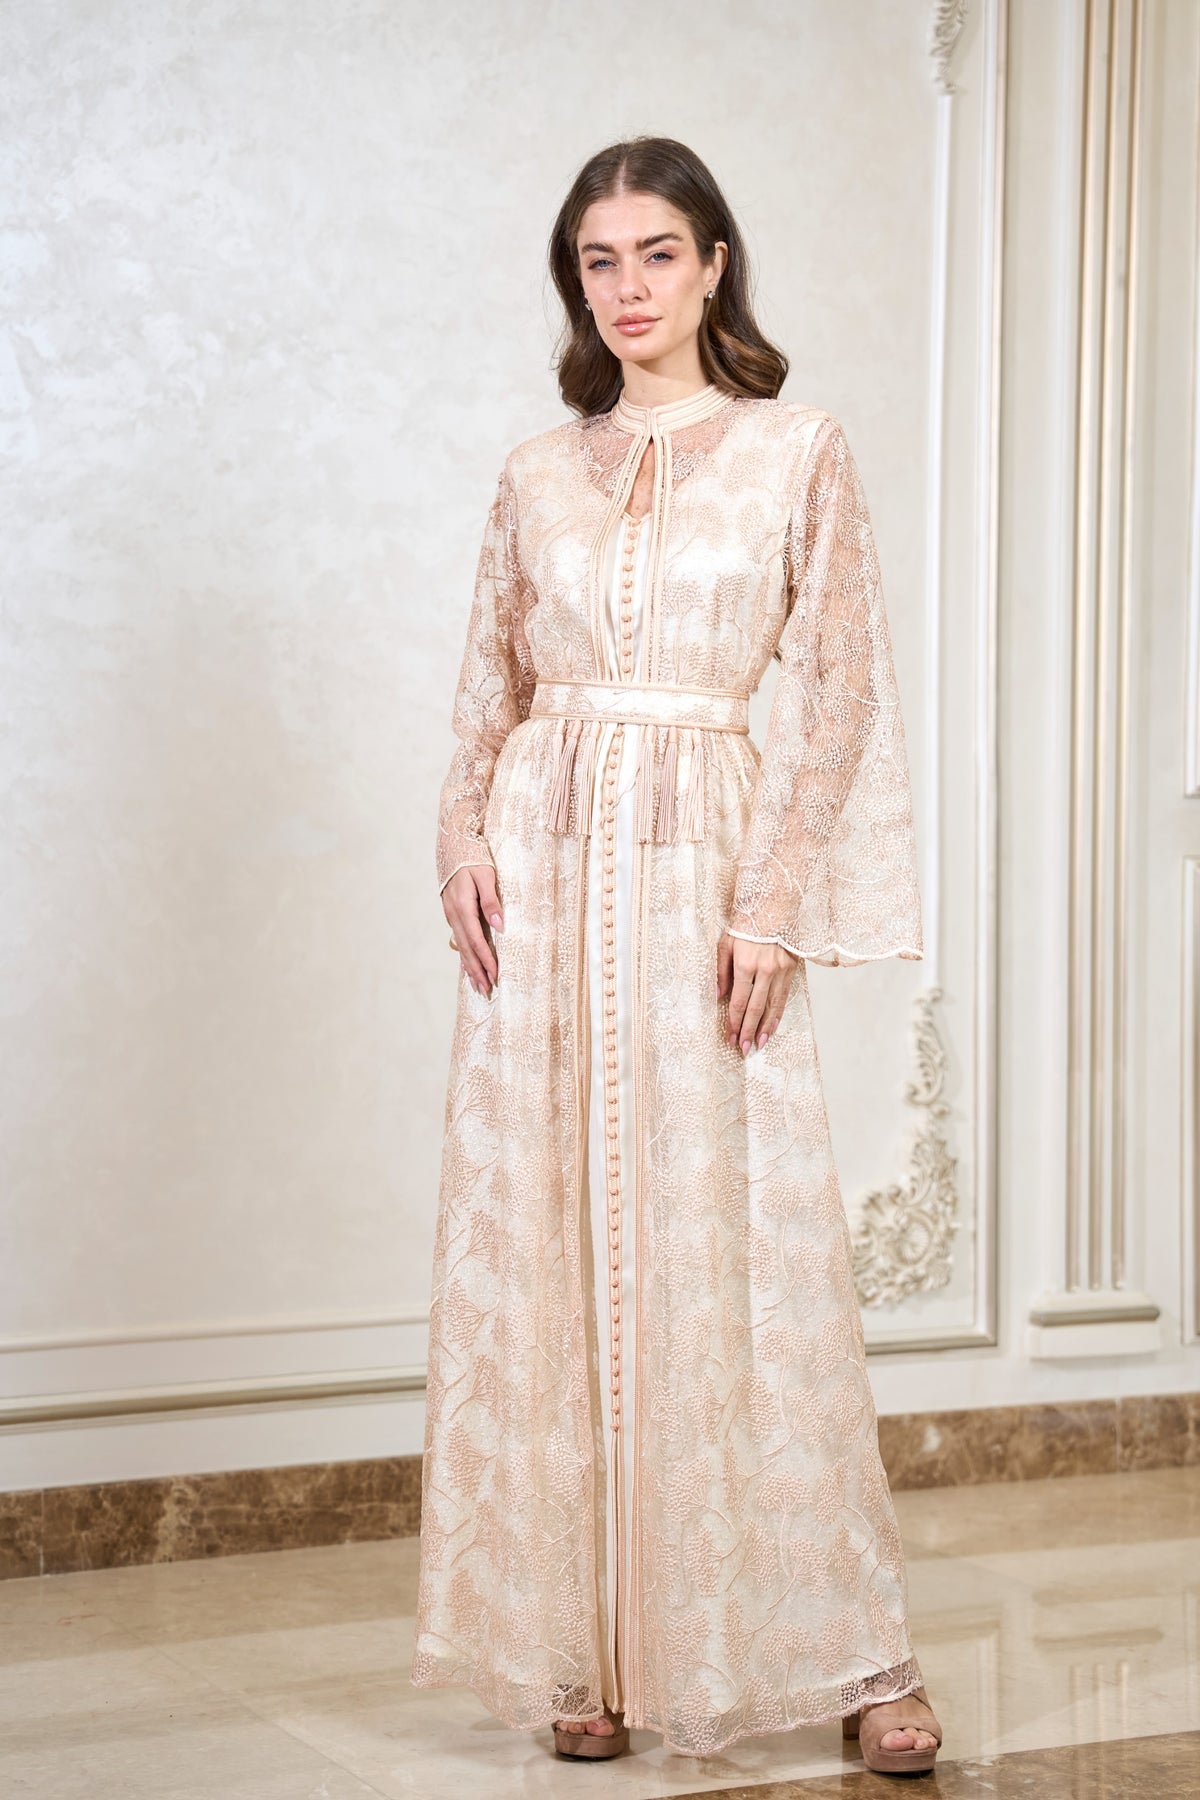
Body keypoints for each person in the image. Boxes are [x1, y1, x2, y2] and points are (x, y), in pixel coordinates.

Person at [411, 135, 942, 1776]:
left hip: (706, 864)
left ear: (714, 263)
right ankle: (582, 1643)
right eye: (599, 260)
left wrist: (770, 902)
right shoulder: (533, 471)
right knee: (554, 1236)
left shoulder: (797, 452)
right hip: (545, 867)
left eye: (657, 253)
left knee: (748, 1244)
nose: (628, 287)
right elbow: (490, 681)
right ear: (575, 285)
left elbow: (837, 691)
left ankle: (860, 1654)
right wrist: (460, 838)